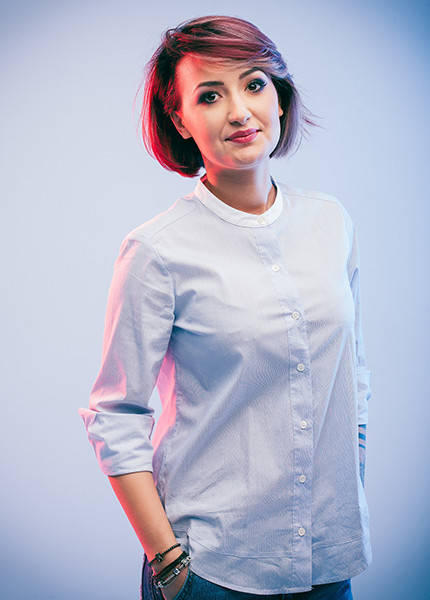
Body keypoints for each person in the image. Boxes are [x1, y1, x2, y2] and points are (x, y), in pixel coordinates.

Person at [79, 15, 371, 600]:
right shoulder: (156, 250)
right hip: (214, 570)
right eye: (209, 96)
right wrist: (170, 567)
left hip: (327, 560)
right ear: (180, 120)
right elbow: (115, 414)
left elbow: (352, 375)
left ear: (280, 99)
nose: (239, 111)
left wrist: (350, 479)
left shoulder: (330, 223)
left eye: (254, 84)